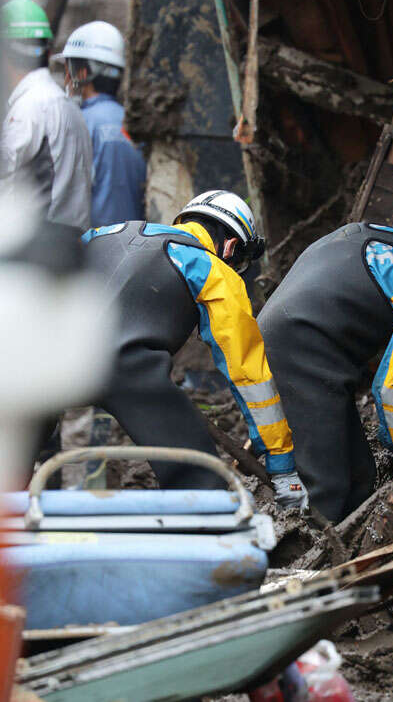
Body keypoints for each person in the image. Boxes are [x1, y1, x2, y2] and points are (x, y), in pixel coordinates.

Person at [83, 189, 306, 507]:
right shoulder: (210, 268)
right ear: (231, 247)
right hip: (126, 371)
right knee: (201, 485)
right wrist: (282, 466)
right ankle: (206, 525)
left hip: (36, 355)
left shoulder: (100, 235)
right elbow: (248, 374)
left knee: (15, 470)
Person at [258, 222, 393, 524]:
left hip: (294, 319)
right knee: (327, 484)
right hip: (294, 335)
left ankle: (349, 530)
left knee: (357, 473)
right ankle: (313, 546)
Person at [0, 0, 92, 231]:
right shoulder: (66, 104)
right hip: (71, 242)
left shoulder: (30, 108)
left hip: (40, 244)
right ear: (48, 51)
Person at [55, 21, 146, 227]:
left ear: (82, 73)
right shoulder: (134, 124)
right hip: (136, 239)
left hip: (93, 242)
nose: (67, 78)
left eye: (69, 69)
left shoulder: (78, 122)